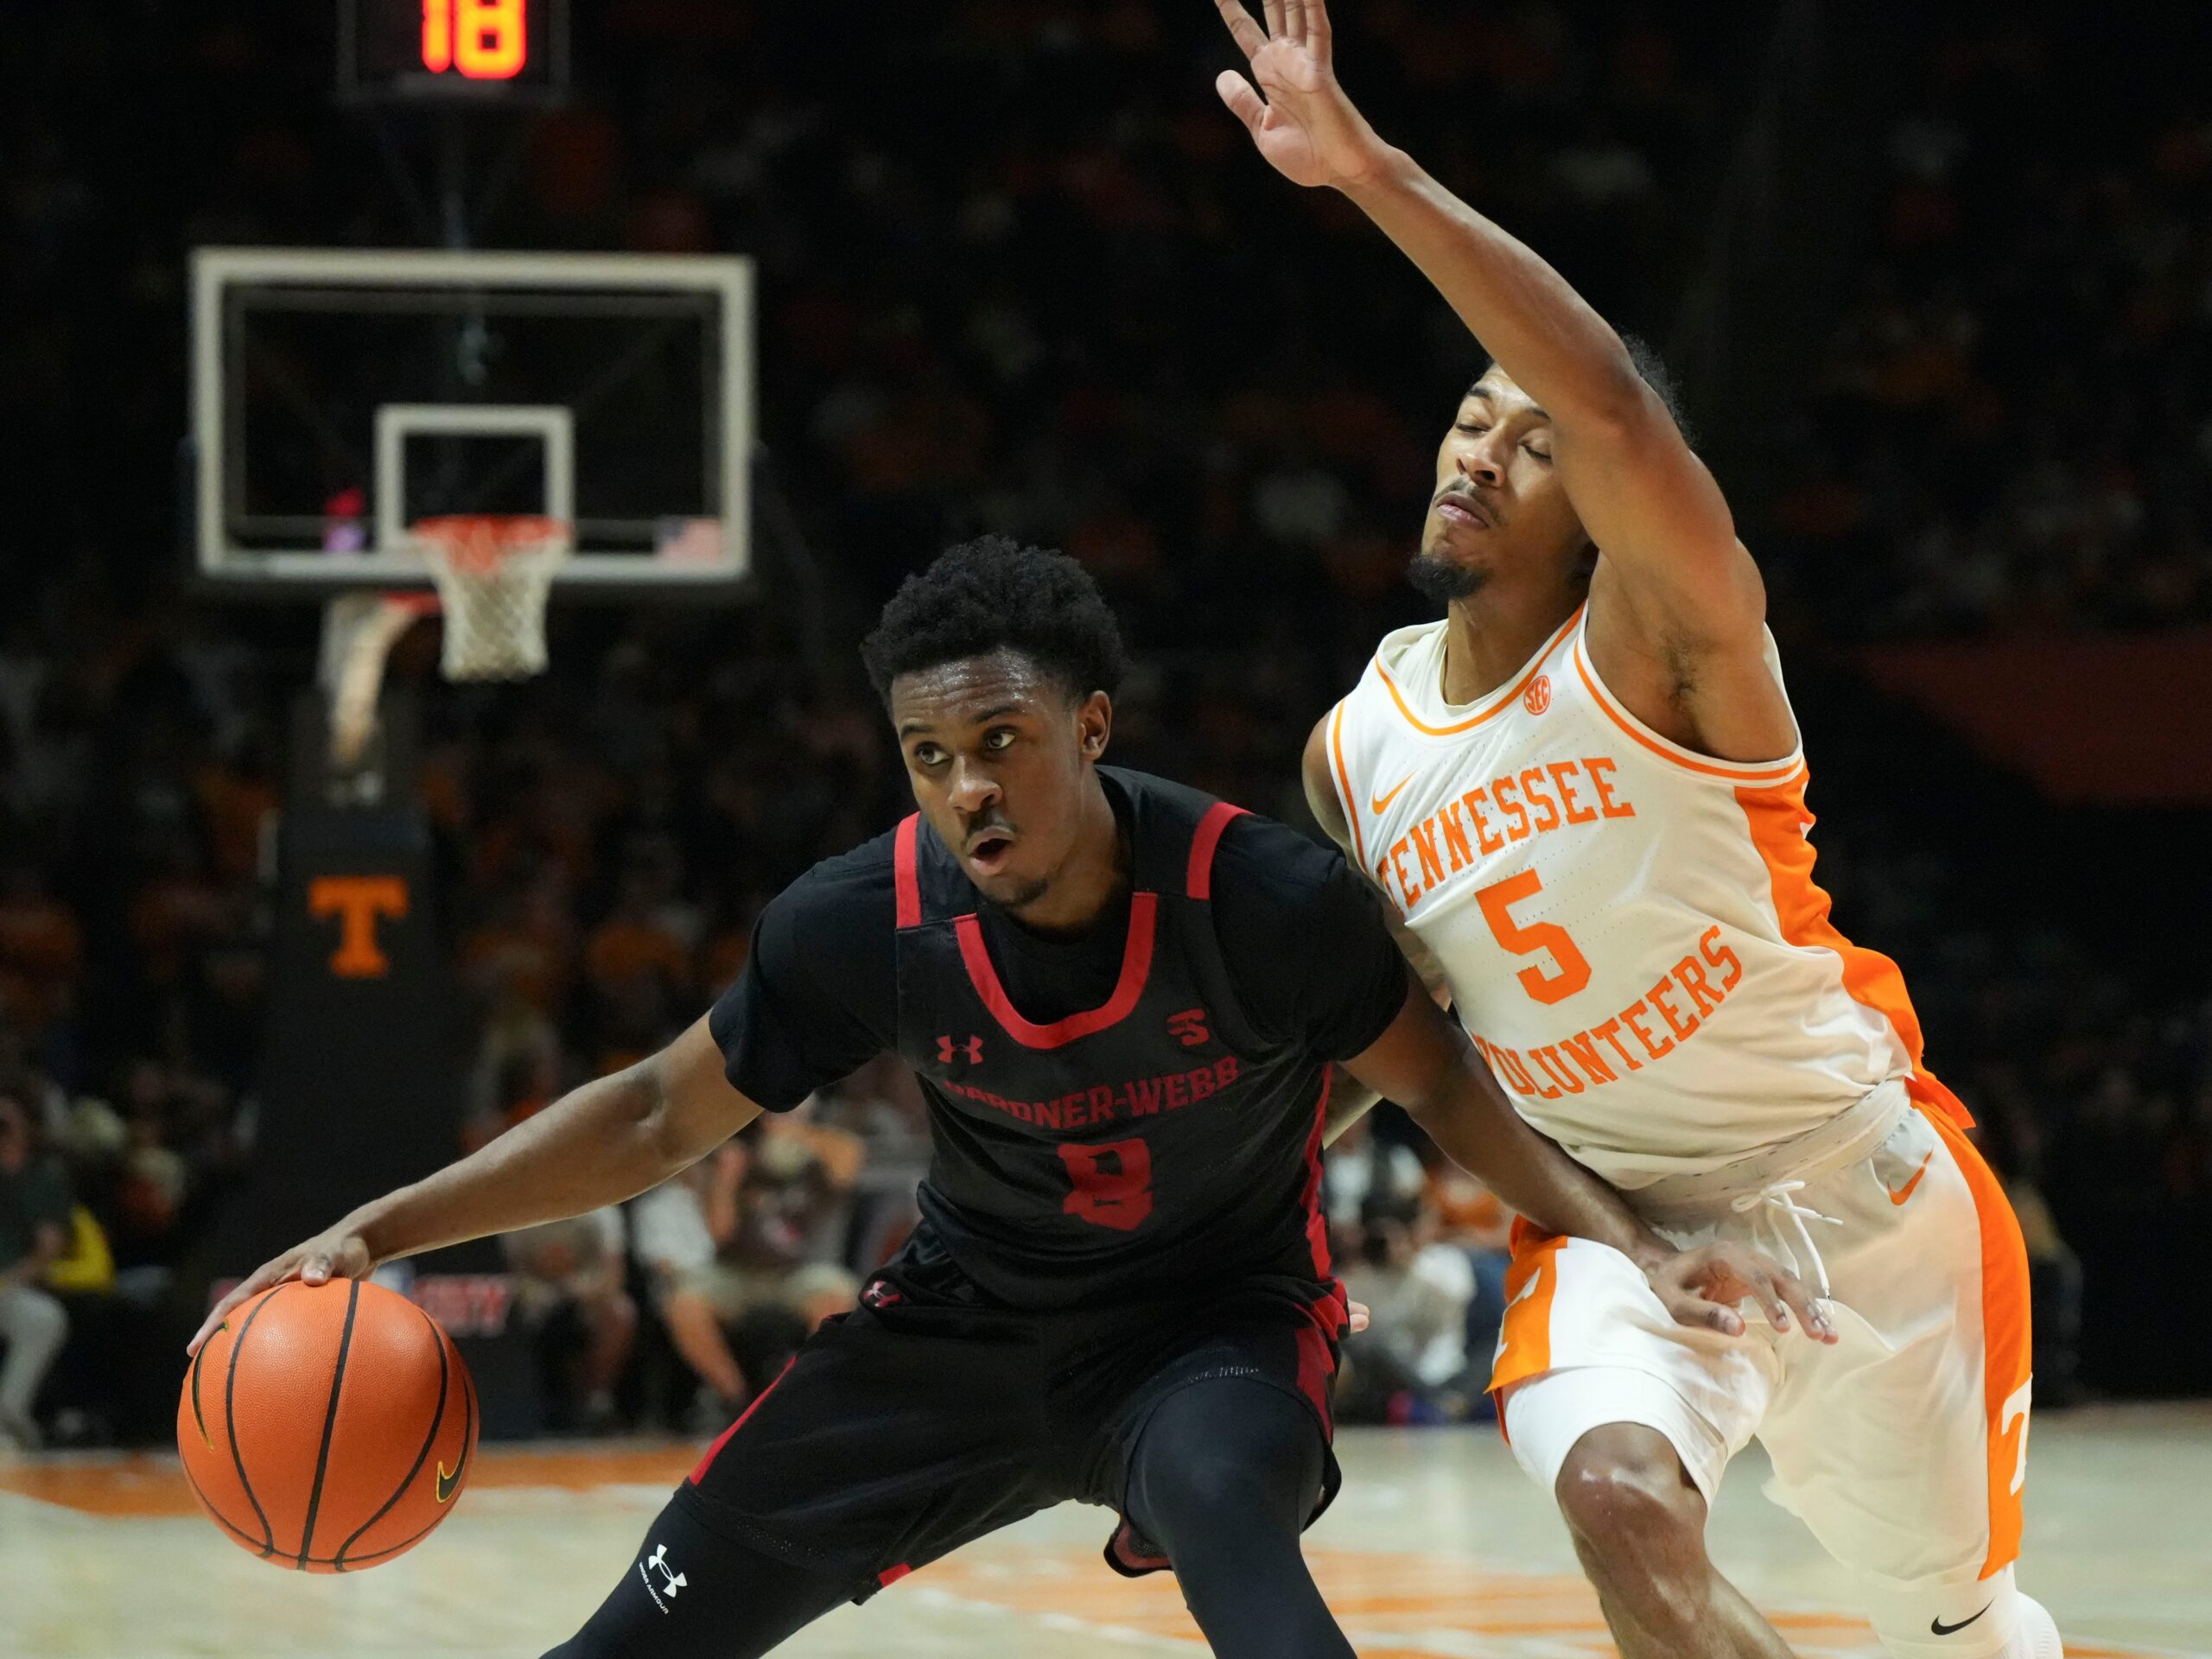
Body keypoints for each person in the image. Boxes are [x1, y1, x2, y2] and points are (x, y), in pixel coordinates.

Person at [194, 539, 1819, 1659]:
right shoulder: (860, 924)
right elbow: (643, 1122)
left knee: (1249, 1572)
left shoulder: (1261, 899)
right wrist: (378, 1228)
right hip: (960, 1330)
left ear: (1089, 728)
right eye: (928, 756)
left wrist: (1633, 1239)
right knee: (632, 1638)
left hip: (1216, 1329)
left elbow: (1449, 1097)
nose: (968, 786)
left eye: (1002, 741)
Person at [1210, 4, 2056, 1656]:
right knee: (1614, 1496)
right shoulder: (1353, 749)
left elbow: (1611, 403)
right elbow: (1387, 1037)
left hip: (1860, 1190)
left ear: (1596, 500)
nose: (1483, 450)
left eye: (1532, 445)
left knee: (1962, 1629)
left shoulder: (1671, 645)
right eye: (1471, 417)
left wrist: (1365, 168)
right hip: (1617, 1219)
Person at [0, 1086, 71, 1450]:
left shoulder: (42, 1179)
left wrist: (7, 1280)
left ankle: (7, 1421)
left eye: (6, 1124)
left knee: (43, 1316)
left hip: (10, 1288)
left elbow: (48, 1249)